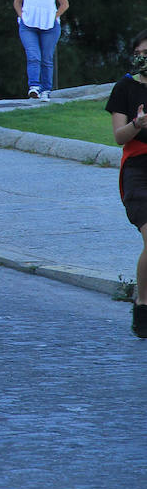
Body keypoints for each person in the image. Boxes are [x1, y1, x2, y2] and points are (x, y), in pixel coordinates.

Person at [108, 31, 147, 337]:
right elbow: (119, 137)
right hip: (137, 169)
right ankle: (143, 304)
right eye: (138, 52)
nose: (141, 57)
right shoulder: (125, 87)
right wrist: (138, 124)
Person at [14, 0, 69, 100]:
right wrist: (22, 16)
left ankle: (45, 90)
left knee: (46, 58)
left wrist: (54, 17)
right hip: (28, 25)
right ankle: (34, 87)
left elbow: (64, 4)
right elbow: (17, 2)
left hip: (50, 27)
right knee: (33, 56)